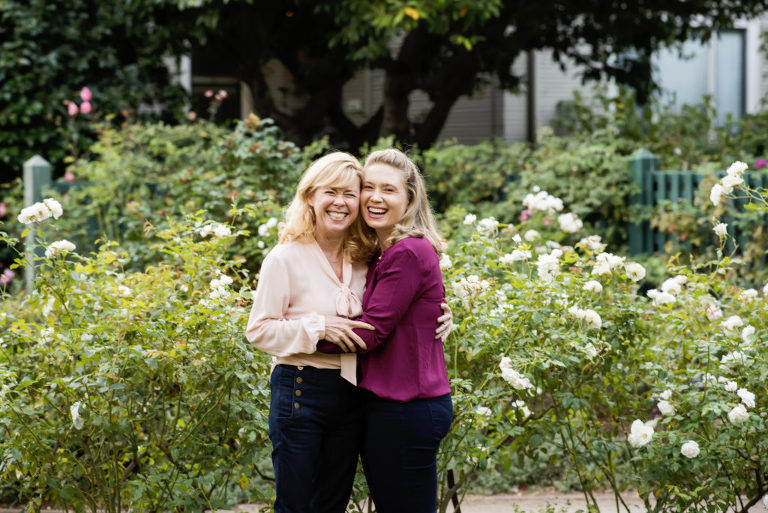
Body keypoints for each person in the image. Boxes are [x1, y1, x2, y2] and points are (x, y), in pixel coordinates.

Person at [245, 151, 450, 513]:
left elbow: (397, 309)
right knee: (298, 505)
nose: (341, 203)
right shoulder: (285, 257)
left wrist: (441, 316)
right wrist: (316, 327)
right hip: (300, 388)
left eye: (350, 193)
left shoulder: (366, 256)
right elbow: (259, 331)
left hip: (351, 394)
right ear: (310, 196)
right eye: (330, 192)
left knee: (331, 504)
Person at [318, 149, 452, 513]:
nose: (375, 198)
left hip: (407, 408)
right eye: (368, 187)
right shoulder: (383, 252)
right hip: (397, 407)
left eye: (389, 190)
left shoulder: (407, 252)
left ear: (409, 199)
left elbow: (370, 332)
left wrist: (299, 336)